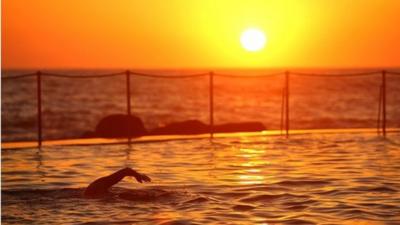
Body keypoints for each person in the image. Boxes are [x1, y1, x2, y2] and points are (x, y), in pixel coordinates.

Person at [84, 167, 151, 198]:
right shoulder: (97, 187)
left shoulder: (101, 184)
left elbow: (125, 170)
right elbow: (125, 171)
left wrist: (137, 175)